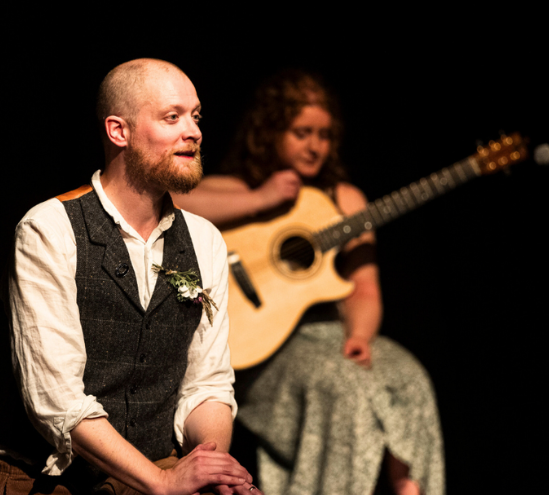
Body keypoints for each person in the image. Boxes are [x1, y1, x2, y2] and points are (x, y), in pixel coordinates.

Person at [0, 58, 261, 495]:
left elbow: (206, 383)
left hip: (159, 466)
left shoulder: (204, 239)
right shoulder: (49, 229)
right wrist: (162, 481)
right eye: (172, 117)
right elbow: (57, 401)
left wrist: (211, 468)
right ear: (119, 131)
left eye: (195, 116)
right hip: (52, 479)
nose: (193, 131)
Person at [172, 71, 444, 495]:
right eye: (302, 133)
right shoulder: (240, 186)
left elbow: (365, 288)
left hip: (332, 335)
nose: (315, 145)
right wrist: (261, 198)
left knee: (410, 377)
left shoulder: (344, 200)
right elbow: (171, 201)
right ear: (271, 132)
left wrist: (360, 335)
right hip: (261, 352)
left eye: (324, 135)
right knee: (345, 388)